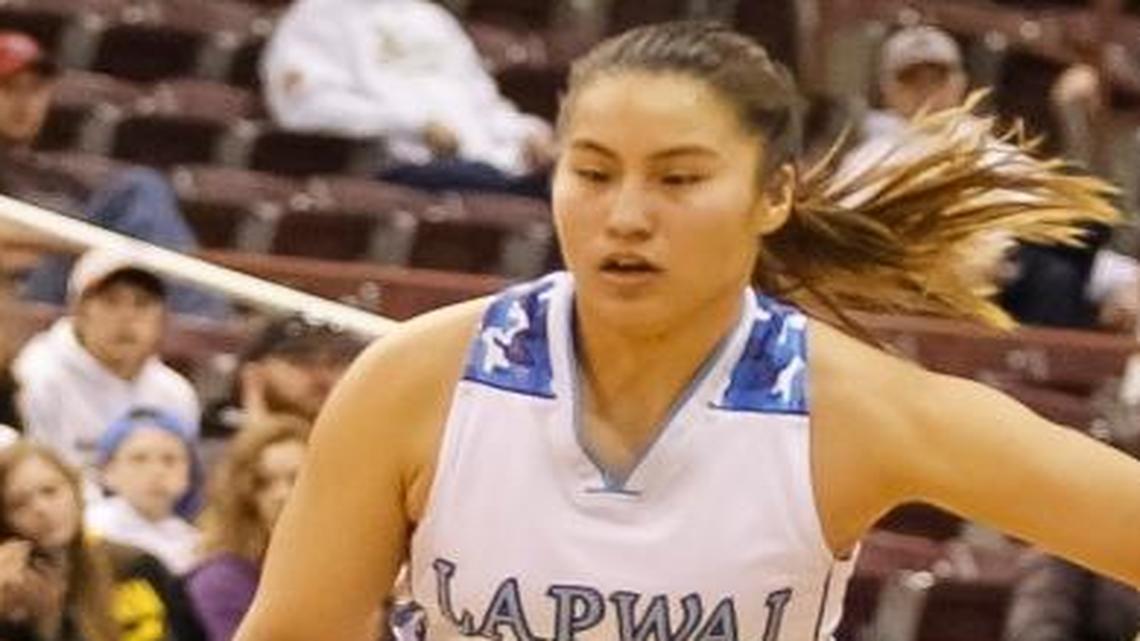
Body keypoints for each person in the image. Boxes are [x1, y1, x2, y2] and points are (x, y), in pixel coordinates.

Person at [234, 22, 1140, 641]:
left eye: (677, 179)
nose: (624, 216)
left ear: (774, 194)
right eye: (592, 172)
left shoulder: (854, 410)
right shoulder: (416, 380)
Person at [844, 24, 1139, 331]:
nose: (927, 92)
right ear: (888, 88)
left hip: (1013, 280)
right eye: (912, 81)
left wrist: (1126, 279)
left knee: (1080, 232)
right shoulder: (866, 164)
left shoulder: (995, 153)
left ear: (959, 82)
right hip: (925, 286)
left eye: (937, 78)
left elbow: (1064, 236)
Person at [0, 30, 227, 319]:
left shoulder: (56, 176)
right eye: (8, 88)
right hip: (24, 295)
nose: (24, 102)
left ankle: (198, 321)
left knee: (141, 200)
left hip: (85, 278)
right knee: (139, 187)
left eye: (35, 89)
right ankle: (203, 319)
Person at [261, 0, 554, 199]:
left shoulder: (431, 17)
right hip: (400, 165)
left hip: (490, 165)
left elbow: (483, 102)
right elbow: (304, 107)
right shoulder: (319, 14)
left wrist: (527, 131)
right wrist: (415, 125)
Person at [12, 249, 200, 471]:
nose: (127, 317)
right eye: (111, 301)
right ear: (78, 311)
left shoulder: (175, 394)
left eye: (142, 303)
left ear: (162, 317)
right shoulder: (37, 378)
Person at [0, 441, 200, 641]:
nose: (41, 509)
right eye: (19, 504)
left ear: (75, 489)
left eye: (50, 491)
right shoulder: (12, 596)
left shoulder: (136, 564)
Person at [184, 423, 306, 641]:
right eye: (263, 483)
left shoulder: (352, 566)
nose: (281, 494)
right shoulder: (221, 580)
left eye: (296, 479)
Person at [201, 315, 364, 439]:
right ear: (255, 371)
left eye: (335, 363)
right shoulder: (214, 442)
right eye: (302, 361)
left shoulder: (358, 438)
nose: (321, 377)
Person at [86, 407, 201, 575]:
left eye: (170, 460)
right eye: (139, 459)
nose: (156, 471)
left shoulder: (197, 544)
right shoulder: (92, 528)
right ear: (108, 471)